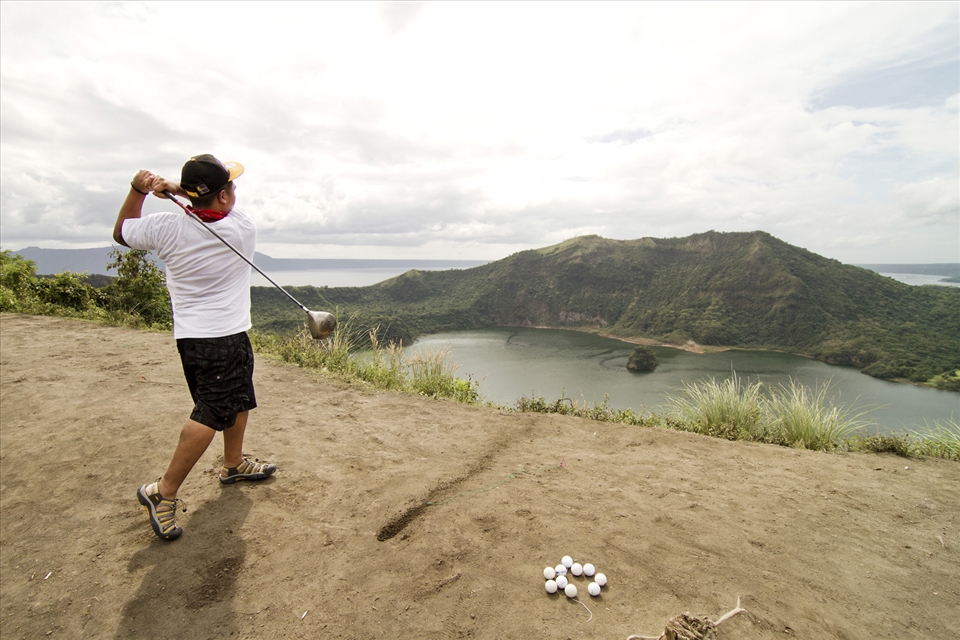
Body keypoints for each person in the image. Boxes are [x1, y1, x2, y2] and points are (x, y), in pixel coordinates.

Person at [113, 154, 276, 541]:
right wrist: (177, 192)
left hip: (196, 337)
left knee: (238, 398)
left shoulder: (163, 227)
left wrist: (139, 190)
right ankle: (163, 491)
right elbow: (209, 216)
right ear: (222, 197)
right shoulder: (241, 227)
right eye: (231, 187)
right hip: (221, 337)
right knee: (210, 412)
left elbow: (122, 232)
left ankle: (233, 463)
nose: (235, 191)